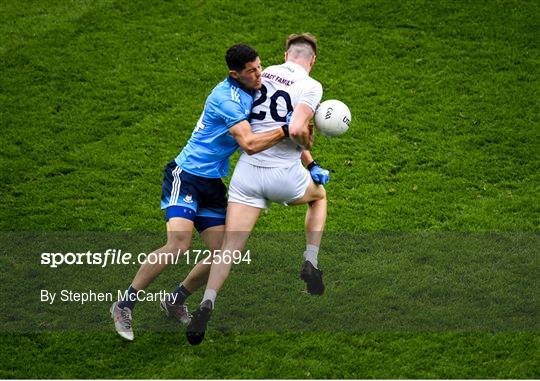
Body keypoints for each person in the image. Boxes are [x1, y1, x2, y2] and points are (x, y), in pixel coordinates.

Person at [110, 44, 289, 341]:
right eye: (251, 71)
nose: (259, 74)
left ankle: (176, 299)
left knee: (222, 252)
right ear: (235, 74)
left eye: (259, 67)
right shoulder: (225, 99)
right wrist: (286, 130)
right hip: (187, 175)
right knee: (178, 244)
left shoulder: (255, 84)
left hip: (212, 183)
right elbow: (249, 144)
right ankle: (124, 304)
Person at [186, 33, 329, 345]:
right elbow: (293, 129)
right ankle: (311, 260)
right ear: (312, 60)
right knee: (318, 197)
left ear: (286, 53)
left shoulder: (260, 75)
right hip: (284, 177)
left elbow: (264, 124)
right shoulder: (311, 86)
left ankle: (207, 301)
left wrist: (309, 155)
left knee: (229, 249)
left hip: (247, 174)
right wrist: (309, 148)